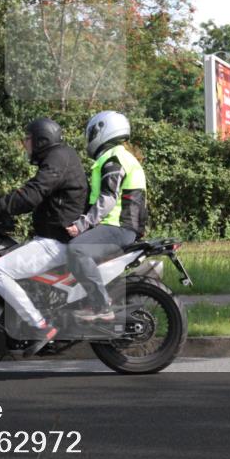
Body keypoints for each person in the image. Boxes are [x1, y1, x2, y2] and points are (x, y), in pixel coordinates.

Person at [0, 118, 88, 355]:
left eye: (29, 139)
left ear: (42, 140)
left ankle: (40, 326)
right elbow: (35, 197)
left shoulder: (57, 158)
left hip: (56, 242)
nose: (26, 144)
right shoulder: (59, 157)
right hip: (54, 237)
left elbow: (31, 195)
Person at [65, 111, 147, 322]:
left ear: (103, 131)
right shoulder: (120, 156)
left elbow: (109, 197)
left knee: (77, 249)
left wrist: (82, 224)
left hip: (118, 227)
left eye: (91, 133)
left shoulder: (113, 159)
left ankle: (100, 306)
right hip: (122, 226)